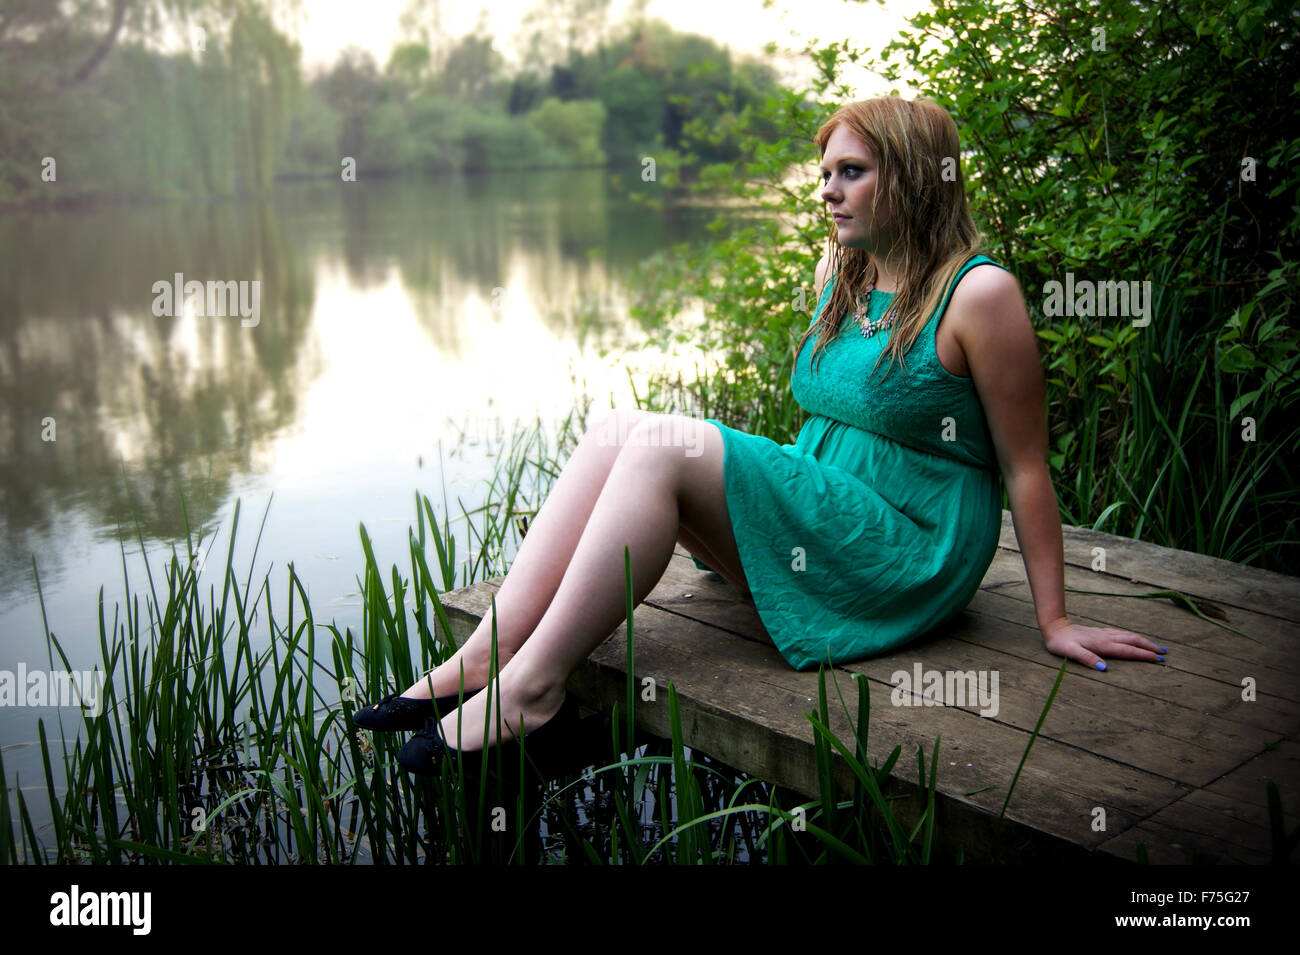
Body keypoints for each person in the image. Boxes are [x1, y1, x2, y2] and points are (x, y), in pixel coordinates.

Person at [352, 95, 1166, 769]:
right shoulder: (838, 273)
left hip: (909, 549)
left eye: (852, 172)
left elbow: (1026, 467)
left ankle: (532, 688)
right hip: (832, 516)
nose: (829, 192)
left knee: (667, 447)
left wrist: (1054, 619)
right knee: (620, 429)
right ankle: (487, 657)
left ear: (915, 178)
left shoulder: (980, 296)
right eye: (826, 175)